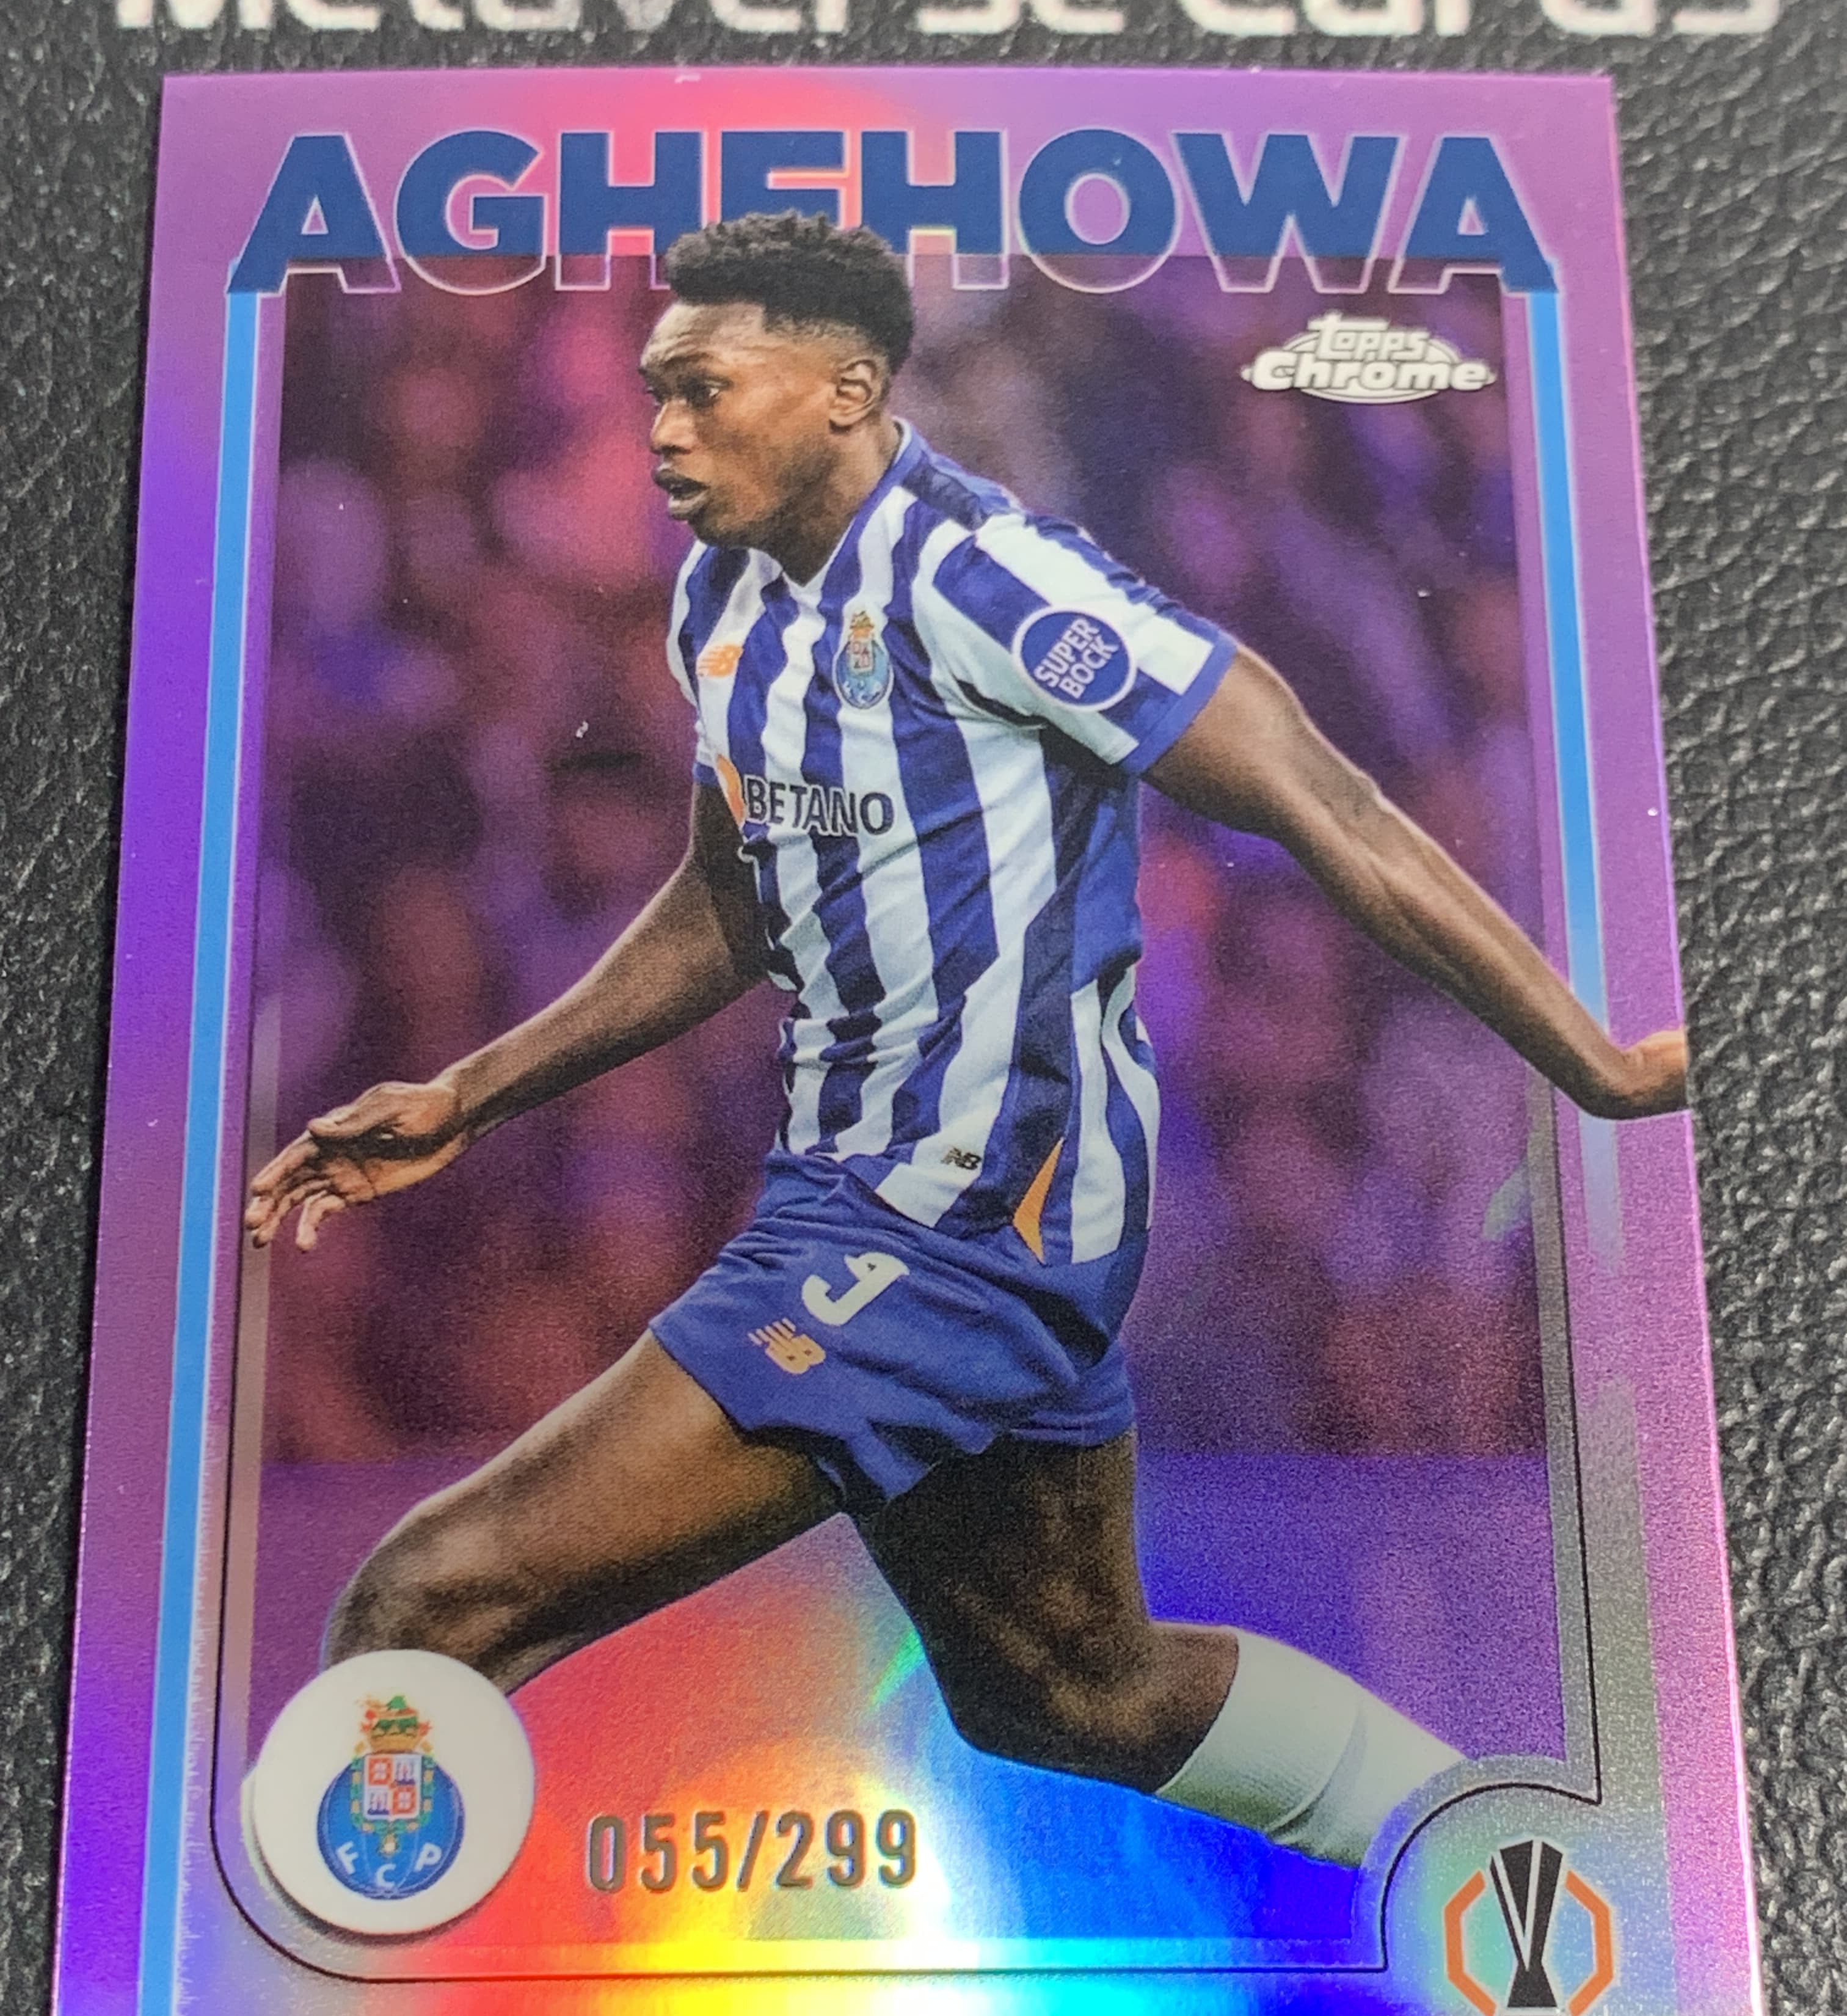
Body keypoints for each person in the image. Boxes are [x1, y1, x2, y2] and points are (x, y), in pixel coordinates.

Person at [246, 214, 1686, 1870]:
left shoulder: (993, 580)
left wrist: (1591, 1064)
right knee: (1067, 1691)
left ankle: (326, 2012)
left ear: (850, 388)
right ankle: (1511, 1871)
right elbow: (733, 903)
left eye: (706, 389)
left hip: (960, 1227)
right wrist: (472, 1092)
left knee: (427, 1604)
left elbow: (1331, 804)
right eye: (654, 391)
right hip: (860, 1201)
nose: (663, 431)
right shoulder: (723, 598)